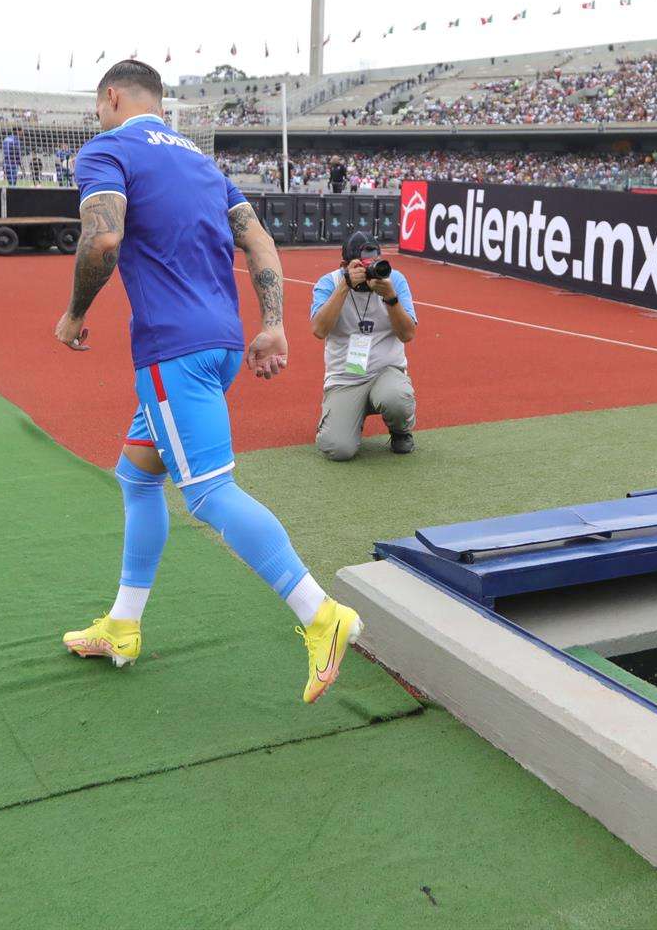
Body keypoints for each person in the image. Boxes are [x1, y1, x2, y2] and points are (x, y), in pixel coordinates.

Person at [54, 60, 361, 704]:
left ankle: (321, 614)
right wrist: (273, 326)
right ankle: (123, 625)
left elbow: (103, 240)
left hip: (172, 352)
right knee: (138, 475)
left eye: (97, 104)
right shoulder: (203, 164)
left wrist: (76, 313)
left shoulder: (107, 149)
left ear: (112, 98)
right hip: (218, 344)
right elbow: (262, 245)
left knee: (209, 494)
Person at [309, 230, 418, 458]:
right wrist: (345, 286)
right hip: (345, 376)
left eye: (374, 263)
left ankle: (400, 431)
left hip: (385, 371)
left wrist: (391, 298)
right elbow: (319, 330)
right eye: (362, 265)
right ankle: (347, 418)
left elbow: (407, 334)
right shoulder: (329, 283)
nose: (370, 270)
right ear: (344, 265)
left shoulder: (393, 280)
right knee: (338, 449)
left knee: (396, 398)